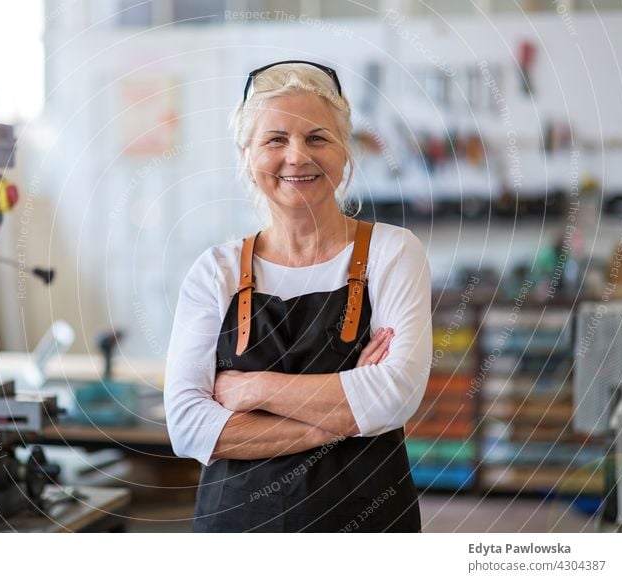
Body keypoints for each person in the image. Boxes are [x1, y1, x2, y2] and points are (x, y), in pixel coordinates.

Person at [164, 61, 432, 532]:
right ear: (247, 155)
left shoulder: (392, 252)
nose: (296, 156)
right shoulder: (215, 271)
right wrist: (347, 414)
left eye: (317, 138)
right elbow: (188, 427)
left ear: (344, 151)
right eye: (275, 140)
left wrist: (253, 390)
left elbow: (394, 396)